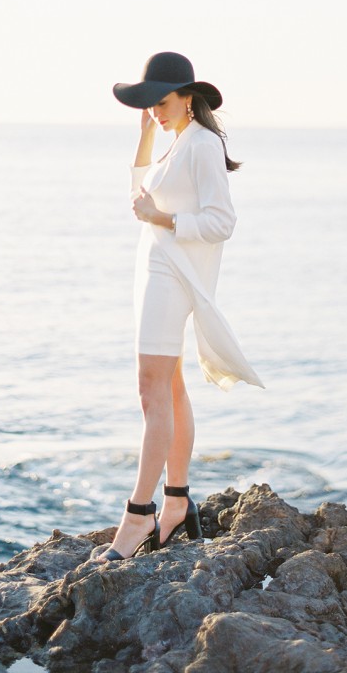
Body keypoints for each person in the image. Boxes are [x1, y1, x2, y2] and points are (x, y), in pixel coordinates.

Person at [95, 52, 264, 563]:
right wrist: (146, 135)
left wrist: (162, 219)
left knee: (151, 392)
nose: (157, 111)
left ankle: (138, 512)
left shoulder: (204, 145)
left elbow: (222, 221)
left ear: (189, 98)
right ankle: (175, 503)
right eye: (150, 105)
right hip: (154, 273)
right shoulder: (176, 145)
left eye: (162, 103)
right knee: (168, 386)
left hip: (172, 276)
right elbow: (139, 199)